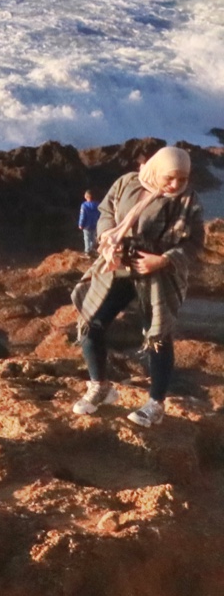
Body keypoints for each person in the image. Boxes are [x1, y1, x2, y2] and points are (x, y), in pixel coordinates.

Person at [72, 146, 205, 428]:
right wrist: (109, 239)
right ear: (156, 170)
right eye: (170, 178)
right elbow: (106, 210)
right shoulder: (127, 182)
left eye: (182, 179)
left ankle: (155, 404)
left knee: (156, 336)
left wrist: (164, 260)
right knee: (91, 323)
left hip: (157, 275)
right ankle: (101, 388)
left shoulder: (188, 201)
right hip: (116, 267)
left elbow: (194, 243)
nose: (175, 185)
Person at [78, 189, 101, 257]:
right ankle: (92, 250)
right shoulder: (97, 204)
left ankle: (87, 252)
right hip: (95, 224)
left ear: (86, 196)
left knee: (87, 238)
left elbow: (82, 216)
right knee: (93, 238)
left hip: (86, 225)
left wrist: (80, 224)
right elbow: (100, 214)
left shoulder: (84, 205)